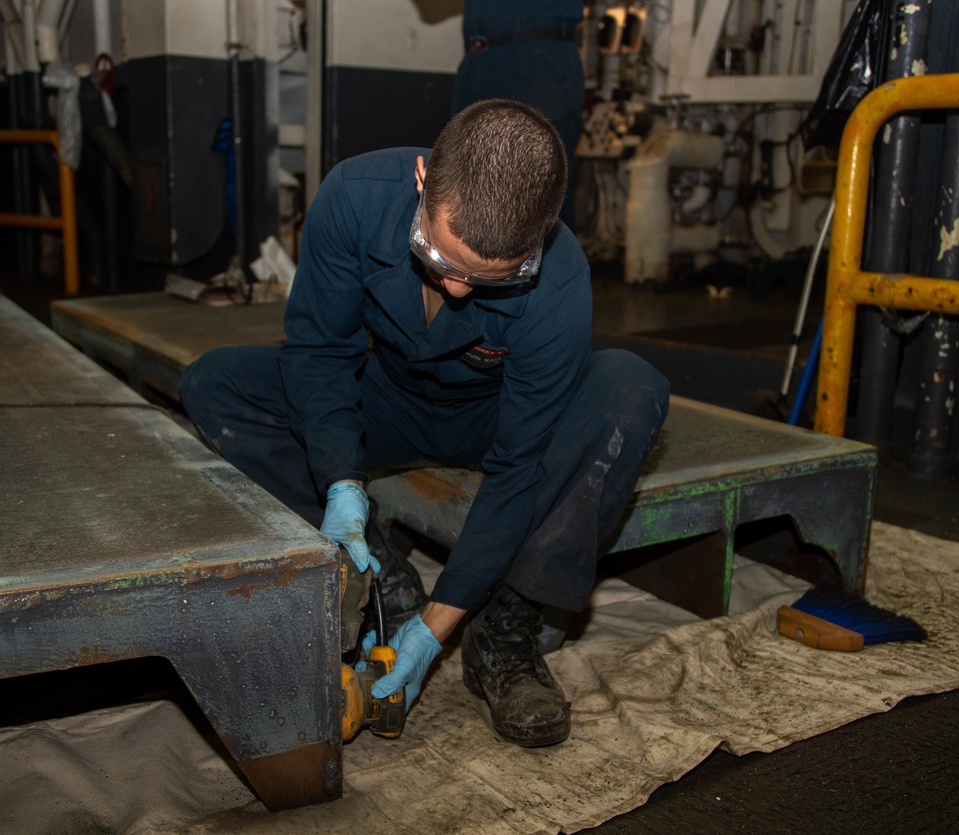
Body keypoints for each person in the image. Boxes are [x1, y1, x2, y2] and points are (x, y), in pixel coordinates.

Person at [180, 99, 669, 748]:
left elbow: (518, 466)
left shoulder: (559, 281)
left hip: (498, 420)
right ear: (420, 179)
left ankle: (505, 627)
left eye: (490, 277)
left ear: (539, 240)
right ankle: (378, 570)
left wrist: (434, 629)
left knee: (630, 389)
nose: (459, 289)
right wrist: (340, 479)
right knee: (214, 384)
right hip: (387, 399)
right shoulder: (353, 198)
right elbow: (320, 353)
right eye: (439, 256)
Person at [453, 0, 585, 229]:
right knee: (469, 188)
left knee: (542, 189)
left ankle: (557, 264)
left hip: (540, 62)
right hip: (481, 64)